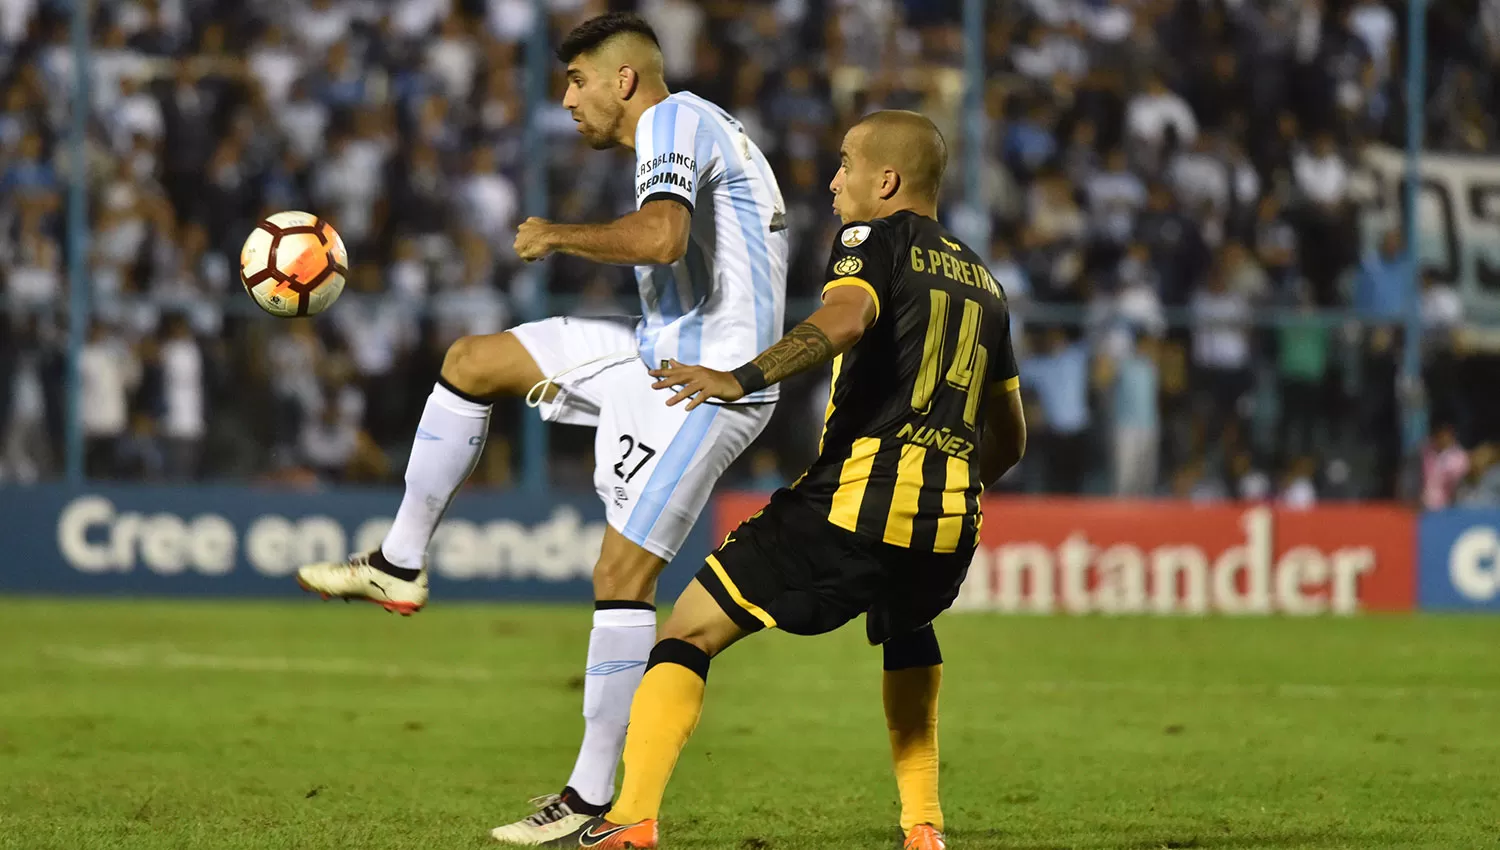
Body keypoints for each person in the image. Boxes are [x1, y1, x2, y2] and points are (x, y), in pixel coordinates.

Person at [294, 12, 789, 840]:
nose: (566, 99)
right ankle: (398, 560)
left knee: (620, 575)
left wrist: (561, 234)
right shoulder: (691, 127)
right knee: (474, 361)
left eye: (578, 80)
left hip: (709, 388)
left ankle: (594, 800)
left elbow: (664, 240)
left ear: (624, 79)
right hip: (653, 355)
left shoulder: (671, 119)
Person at [519, 110, 1026, 850]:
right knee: (908, 626)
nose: (834, 179)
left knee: (690, 628)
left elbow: (846, 319)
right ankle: (923, 826)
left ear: (886, 181)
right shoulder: (987, 283)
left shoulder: (870, 239)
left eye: (847, 163)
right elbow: (1010, 438)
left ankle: (630, 819)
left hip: (854, 502)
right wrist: (944, 476)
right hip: (951, 523)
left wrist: (741, 375)